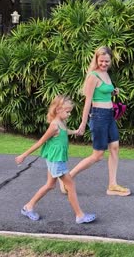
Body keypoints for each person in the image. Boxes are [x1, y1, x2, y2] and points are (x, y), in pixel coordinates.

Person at [59, 46, 131, 197]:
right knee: (97, 155)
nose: (104, 63)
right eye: (102, 60)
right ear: (96, 59)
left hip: (109, 115)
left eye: (107, 61)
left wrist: (113, 91)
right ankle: (67, 177)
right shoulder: (93, 76)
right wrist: (83, 123)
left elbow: (104, 91)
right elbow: (88, 102)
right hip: (98, 116)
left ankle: (112, 185)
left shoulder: (106, 73)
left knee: (115, 147)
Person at [15, 95, 96, 224]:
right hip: (56, 161)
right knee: (70, 185)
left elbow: (65, 131)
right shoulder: (54, 125)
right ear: (58, 110)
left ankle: (28, 207)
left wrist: (75, 132)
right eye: (67, 111)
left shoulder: (62, 123)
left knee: (50, 185)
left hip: (56, 159)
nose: (69, 114)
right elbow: (41, 142)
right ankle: (80, 215)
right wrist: (24, 155)